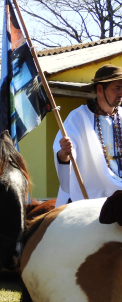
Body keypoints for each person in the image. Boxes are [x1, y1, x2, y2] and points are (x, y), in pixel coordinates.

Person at [54, 64, 122, 206]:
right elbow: (63, 157)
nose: (121, 93)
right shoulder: (77, 119)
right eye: (117, 88)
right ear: (99, 89)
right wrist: (64, 154)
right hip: (90, 198)